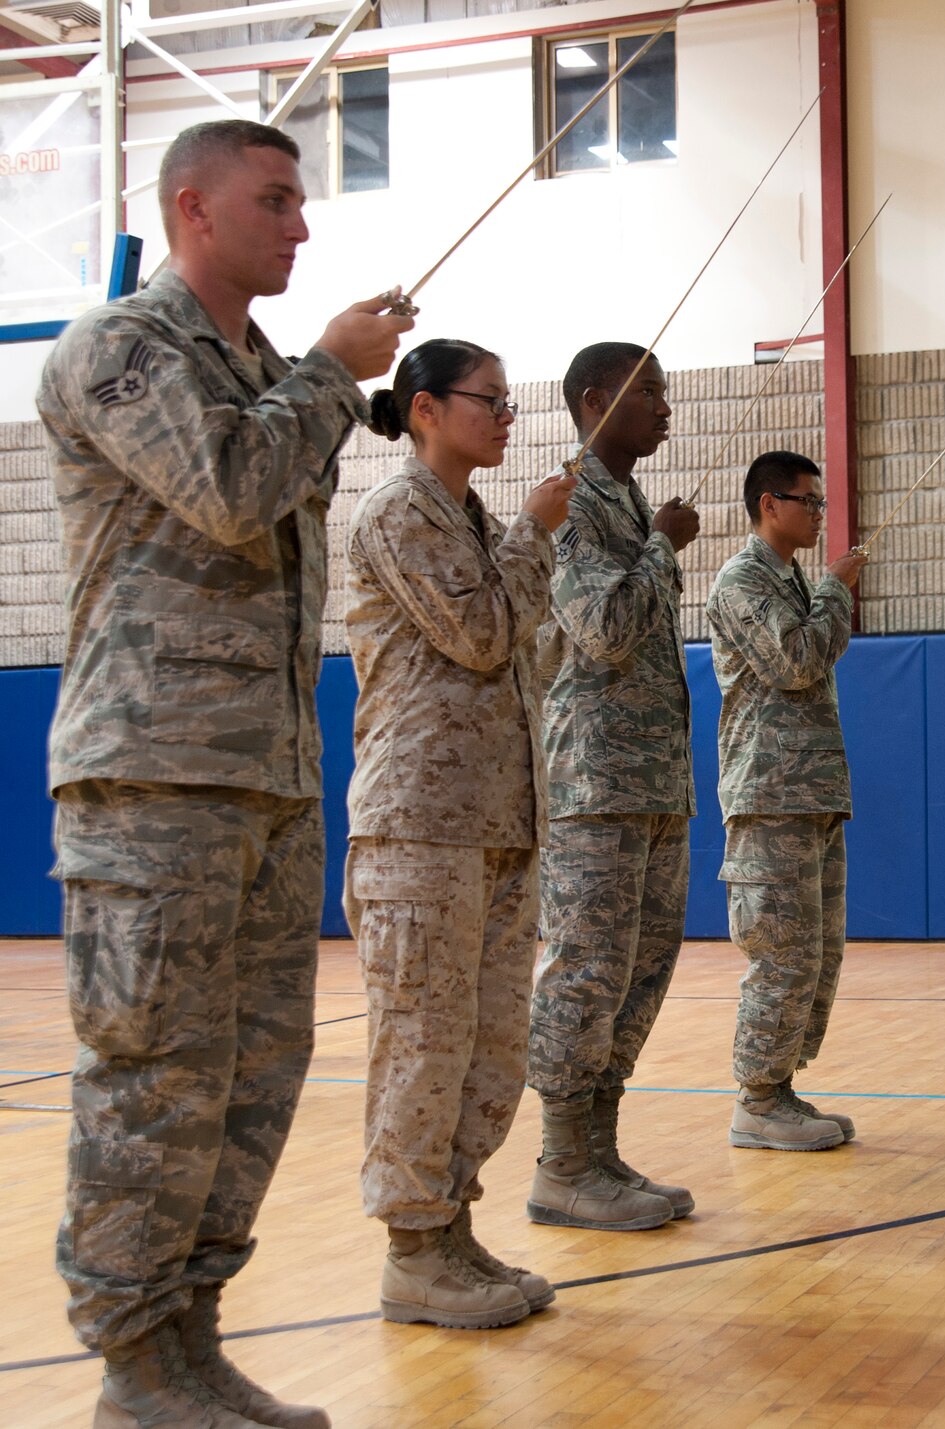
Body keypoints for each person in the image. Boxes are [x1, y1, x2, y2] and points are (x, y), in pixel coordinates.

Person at [37, 118, 408, 1429]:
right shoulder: (120, 350)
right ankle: (133, 1364)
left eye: (302, 203)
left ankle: (191, 1342)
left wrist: (313, 382)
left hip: (266, 779)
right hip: (151, 780)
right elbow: (231, 488)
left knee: (254, 1072)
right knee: (154, 1072)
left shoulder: (261, 374)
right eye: (275, 201)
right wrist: (332, 374)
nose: (300, 226)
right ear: (191, 207)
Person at [345, 339, 575, 1329]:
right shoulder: (400, 511)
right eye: (489, 400)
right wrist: (533, 531)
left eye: (508, 402)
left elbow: (531, 649)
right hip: (419, 826)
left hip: (494, 820)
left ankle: (450, 1231)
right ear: (427, 409)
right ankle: (411, 1251)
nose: (506, 416)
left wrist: (521, 539)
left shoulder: (475, 522)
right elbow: (481, 633)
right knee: (422, 1042)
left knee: (488, 1047)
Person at [525, 343, 701, 1230]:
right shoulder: (571, 505)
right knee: (586, 969)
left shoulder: (630, 502)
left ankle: (599, 1147)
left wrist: (655, 537)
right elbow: (601, 629)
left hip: (654, 779)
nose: (666, 408)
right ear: (597, 400)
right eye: (652, 394)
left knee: (641, 968)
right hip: (594, 778)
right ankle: (559, 1162)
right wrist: (663, 551)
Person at [705, 452, 867, 1150]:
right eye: (809, 501)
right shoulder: (743, 581)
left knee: (816, 952)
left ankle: (781, 1086)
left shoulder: (792, 581)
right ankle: (756, 1099)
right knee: (782, 952)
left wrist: (825, 591)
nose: (819, 512)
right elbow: (798, 660)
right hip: (769, 795)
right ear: (770, 504)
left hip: (810, 795)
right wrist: (836, 590)